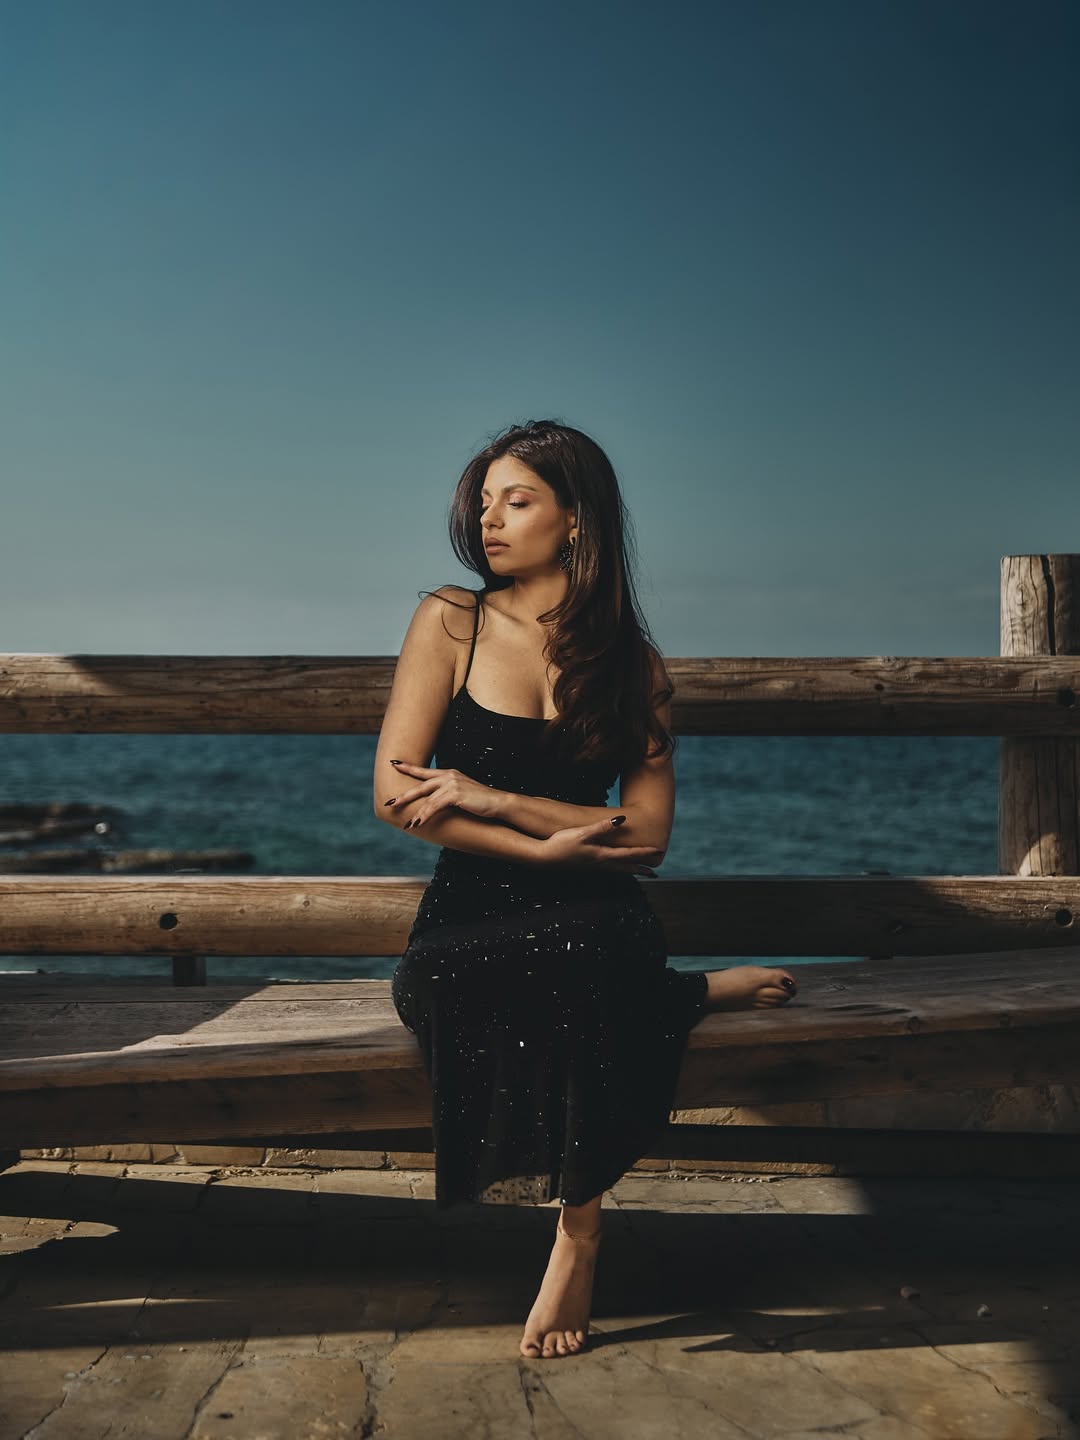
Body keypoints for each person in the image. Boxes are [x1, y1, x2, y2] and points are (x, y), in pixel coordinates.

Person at [375, 419, 798, 1361]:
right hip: (471, 904)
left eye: (517, 500)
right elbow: (395, 793)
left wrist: (495, 796)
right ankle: (688, 994)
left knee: (586, 955)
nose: (489, 520)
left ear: (576, 520)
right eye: (484, 502)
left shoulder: (634, 664)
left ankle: (579, 1228)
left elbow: (644, 836)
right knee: (439, 981)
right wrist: (540, 851)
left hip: (594, 910)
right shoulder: (451, 619)